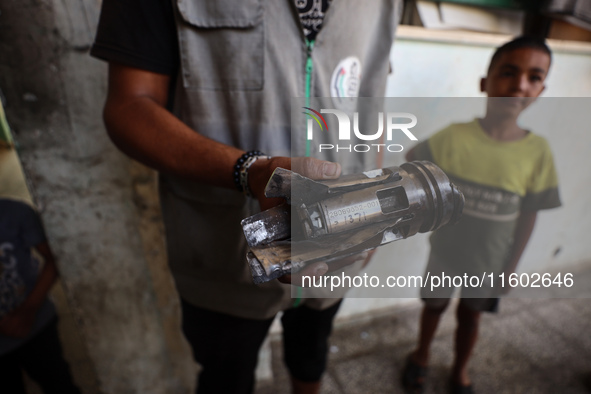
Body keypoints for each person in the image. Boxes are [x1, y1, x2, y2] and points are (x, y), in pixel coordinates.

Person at [90, 1, 403, 393]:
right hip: (221, 251)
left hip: (340, 242)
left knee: (311, 352)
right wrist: (251, 171)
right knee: (226, 376)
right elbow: (128, 105)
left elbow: (370, 98)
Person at [402, 36, 561, 394]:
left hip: (489, 262)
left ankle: (460, 371)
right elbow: (411, 163)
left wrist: (511, 267)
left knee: (470, 316)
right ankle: (421, 356)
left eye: (534, 77)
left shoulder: (538, 153)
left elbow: (529, 215)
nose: (520, 84)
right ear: (485, 82)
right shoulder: (453, 138)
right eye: (508, 72)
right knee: (433, 308)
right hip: (444, 253)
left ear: (542, 89)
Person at [0, 101, 80, 394]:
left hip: (36, 325)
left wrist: (27, 311)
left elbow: (54, 259)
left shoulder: (14, 213)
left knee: (58, 382)